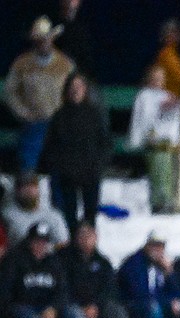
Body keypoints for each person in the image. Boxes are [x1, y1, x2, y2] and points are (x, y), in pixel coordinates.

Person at [0, 221, 90, 318]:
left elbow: (63, 291)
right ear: (29, 241)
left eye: (44, 241)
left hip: (47, 308)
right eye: (37, 241)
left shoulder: (54, 262)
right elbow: (5, 293)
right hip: (21, 307)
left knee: (74, 313)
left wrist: (54, 308)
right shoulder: (14, 260)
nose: (40, 245)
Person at [58, 221, 144, 318]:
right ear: (76, 238)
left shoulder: (103, 262)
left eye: (89, 236)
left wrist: (96, 306)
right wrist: (82, 307)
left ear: (96, 237)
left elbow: (110, 290)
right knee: (74, 314)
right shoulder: (64, 260)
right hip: (74, 308)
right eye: (82, 236)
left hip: (97, 310)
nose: (85, 240)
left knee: (117, 311)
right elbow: (62, 289)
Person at [38, 72, 111, 233]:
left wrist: (98, 165)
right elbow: (51, 146)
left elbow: (105, 143)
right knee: (68, 215)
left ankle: (88, 244)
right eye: (72, 87)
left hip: (91, 172)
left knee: (90, 215)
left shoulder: (95, 115)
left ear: (85, 90)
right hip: (67, 174)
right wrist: (60, 166)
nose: (75, 91)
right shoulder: (59, 116)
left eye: (79, 87)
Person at [4, 17, 75, 172]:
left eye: (46, 39)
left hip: (59, 122)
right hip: (33, 121)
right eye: (40, 39)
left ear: (52, 39)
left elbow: (75, 91)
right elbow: (10, 92)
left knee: (60, 163)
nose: (43, 42)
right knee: (27, 161)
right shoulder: (21, 64)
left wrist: (67, 115)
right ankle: (27, 191)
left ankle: (58, 193)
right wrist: (23, 112)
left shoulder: (65, 64)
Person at [127, 65, 180, 213]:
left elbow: (173, 119)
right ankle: (158, 202)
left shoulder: (167, 95)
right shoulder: (143, 96)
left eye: (161, 79)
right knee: (157, 170)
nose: (158, 81)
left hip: (166, 143)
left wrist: (173, 107)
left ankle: (167, 200)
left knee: (167, 171)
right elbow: (142, 119)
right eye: (155, 78)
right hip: (152, 142)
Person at [2, 172, 70, 249]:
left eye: (32, 187)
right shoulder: (7, 216)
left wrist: (44, 249)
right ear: (17, 191)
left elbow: (63, 243)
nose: (29, 191)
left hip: (49, 258)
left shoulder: (53, 215)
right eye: (24, 187)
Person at [154, 19, 180, 98]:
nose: (174, 36)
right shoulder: (166, 54)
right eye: (170, 33)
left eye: (175, 33)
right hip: (168, 97)